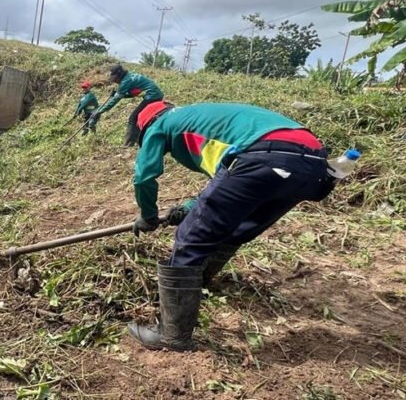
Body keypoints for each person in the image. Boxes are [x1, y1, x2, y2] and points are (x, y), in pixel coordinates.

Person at [126, 101, 336, 351]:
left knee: (190, 238)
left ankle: (172, 336)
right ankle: (199, 283)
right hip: (314, 164)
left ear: (145, 125)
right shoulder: (202, 117)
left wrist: (148, 216)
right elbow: (227, 182)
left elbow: (144, 177)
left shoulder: (160, 125)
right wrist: (190, 206)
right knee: (236, 228)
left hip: (262, 156)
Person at [88, 64, 164, 146]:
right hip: (154, 94)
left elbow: (114, 101)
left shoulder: (126, 81)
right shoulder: (129, 76)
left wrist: (100, 111)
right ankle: (139, 139)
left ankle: (129, 143)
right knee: (139, 117)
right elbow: (134, 93)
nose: (114, 81)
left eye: (115, 79)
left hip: (152, 96)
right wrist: (119, 94)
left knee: (133, 118)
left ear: (119, 75)